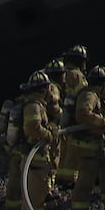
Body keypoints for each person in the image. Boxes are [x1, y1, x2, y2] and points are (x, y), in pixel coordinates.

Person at [5, 70, 57, 210]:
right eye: (47, 89)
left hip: (34, 156)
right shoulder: (34, 105)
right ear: (42, 90)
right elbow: (33, 128)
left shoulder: (35, 103)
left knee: (38, 189)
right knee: (36, 189)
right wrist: (48, 134)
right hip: (34, 156)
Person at [70, 65, 105, 210]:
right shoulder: (90, 96)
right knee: (86, 178)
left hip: (96, 145)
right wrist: (101, 121)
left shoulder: (96, 96)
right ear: (102, 84)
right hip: (87, 147)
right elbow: (82, 114)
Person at [56, 44, 89, 188]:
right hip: (73, 115)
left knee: (62, 149)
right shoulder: (77, 75)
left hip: (62, 113)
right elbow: (82, 95)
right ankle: (68, 179)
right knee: (72, 151)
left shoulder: (64, 72)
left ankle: (61, 177)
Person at [43, 58, 65, 190]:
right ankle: (47, 189)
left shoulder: (45, 87)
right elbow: (55, 109)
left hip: (45, 127)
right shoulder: (53, 88)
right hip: (51, 129)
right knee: (52, 159)